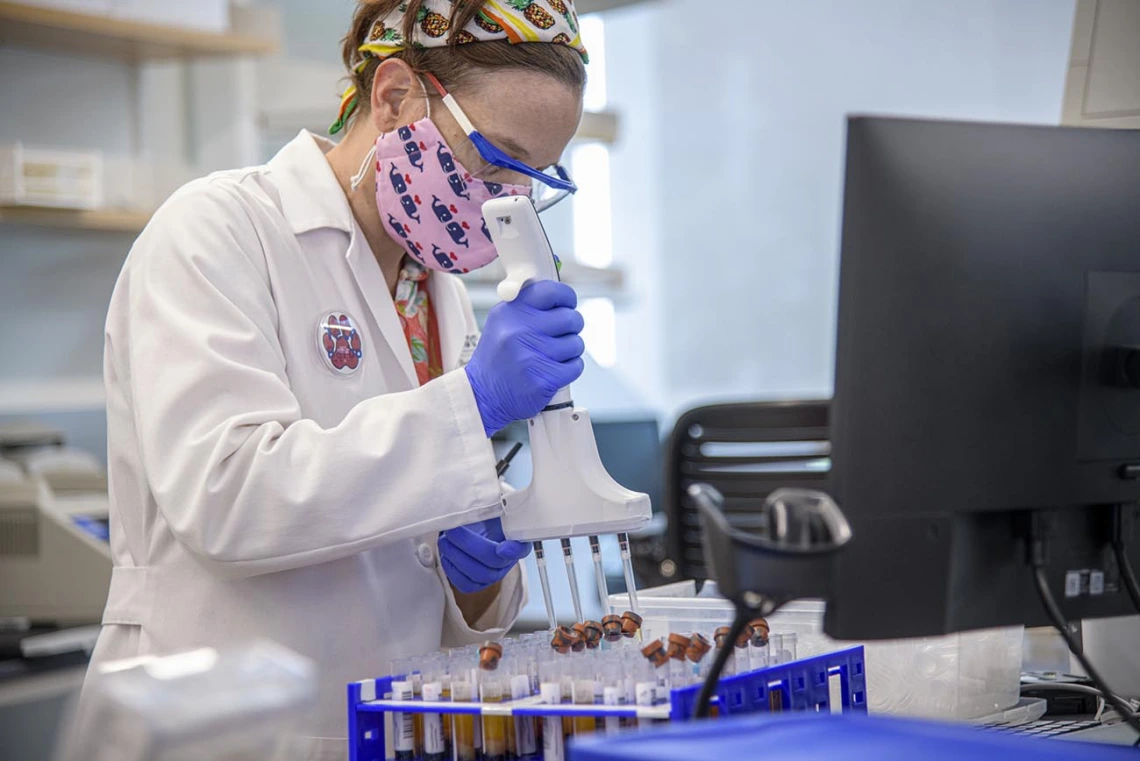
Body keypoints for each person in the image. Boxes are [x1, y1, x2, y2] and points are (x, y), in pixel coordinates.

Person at [83, 1, 590, 756]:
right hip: (214, 730)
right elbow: (226, 494)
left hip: (379, 729)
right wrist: (472, 401)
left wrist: (474, 575)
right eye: (492, 160)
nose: (504, 203)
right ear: (393, 99)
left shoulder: (440, 294)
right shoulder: (216, 231)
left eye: (530, 180)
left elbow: (423, 568)